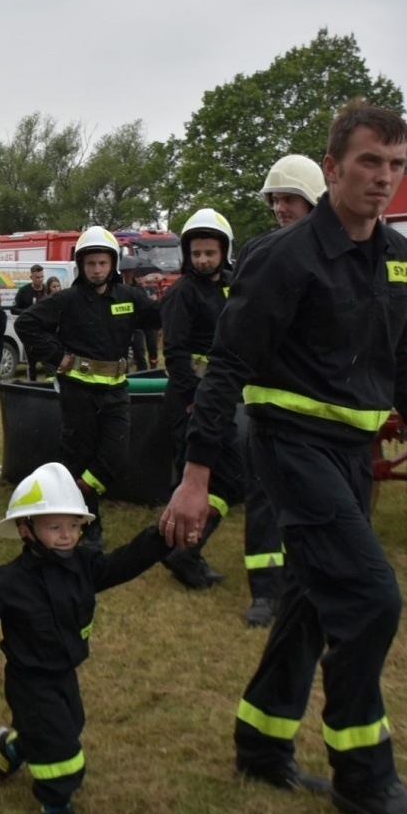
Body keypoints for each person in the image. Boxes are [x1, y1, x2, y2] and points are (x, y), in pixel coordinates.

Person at [163, 101, 407, 814]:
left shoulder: (398, 255)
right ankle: (365, 775)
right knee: (372, 597)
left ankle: (262, 742)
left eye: (396, 165)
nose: (383, 178)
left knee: (309, 597)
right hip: (290, 446)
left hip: (353, 453)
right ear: (332, 167)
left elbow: (398, 356)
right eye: (368, 162)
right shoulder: (283, 257)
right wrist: (196, 477)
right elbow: (226, 365)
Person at [0, 463, 176, 814]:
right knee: (61, 749)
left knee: (70, 725)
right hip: (29, 682)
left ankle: (12, 749)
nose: (67, 535)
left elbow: (123, 563)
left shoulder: (84, 565)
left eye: (73, 525)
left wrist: (161, 538)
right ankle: (53, 812)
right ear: (26, 530)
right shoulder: (5, 582)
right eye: (55, 527)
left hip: (64, 673)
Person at [222, 154, 330, 628]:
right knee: (264, 499)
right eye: (276, 199)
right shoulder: (259, 252)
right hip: (268, 403)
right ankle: (265, 592)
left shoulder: (336, 254)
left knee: (316, 504)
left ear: (314, 201)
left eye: (290, 199)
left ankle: (310, 586)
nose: (281, 208)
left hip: (321, 407)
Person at [17, 226, 160, 551]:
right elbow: (27, 323)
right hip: (77, 393)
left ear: (113, 264)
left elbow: (160, 315)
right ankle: (89, 529)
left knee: (115, 458)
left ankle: (71, 498)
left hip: (116, 392)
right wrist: (57, 356)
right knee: (79, 457)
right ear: (81, 265)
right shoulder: (66, 300)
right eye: (91, 263)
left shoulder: (128, 297)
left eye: (103, 263)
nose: (97, 269)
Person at [157, 209, 238, 591]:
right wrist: (193, 399)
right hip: (192, 401)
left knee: (229, 478)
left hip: (221, 397)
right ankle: (183, 552)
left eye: (210, 252)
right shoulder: (181, 294)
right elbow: (175, 353)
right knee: (190, 481)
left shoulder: (235, 287)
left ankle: (186, 550)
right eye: (197, 253)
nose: (203, 260)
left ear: (224, 252)